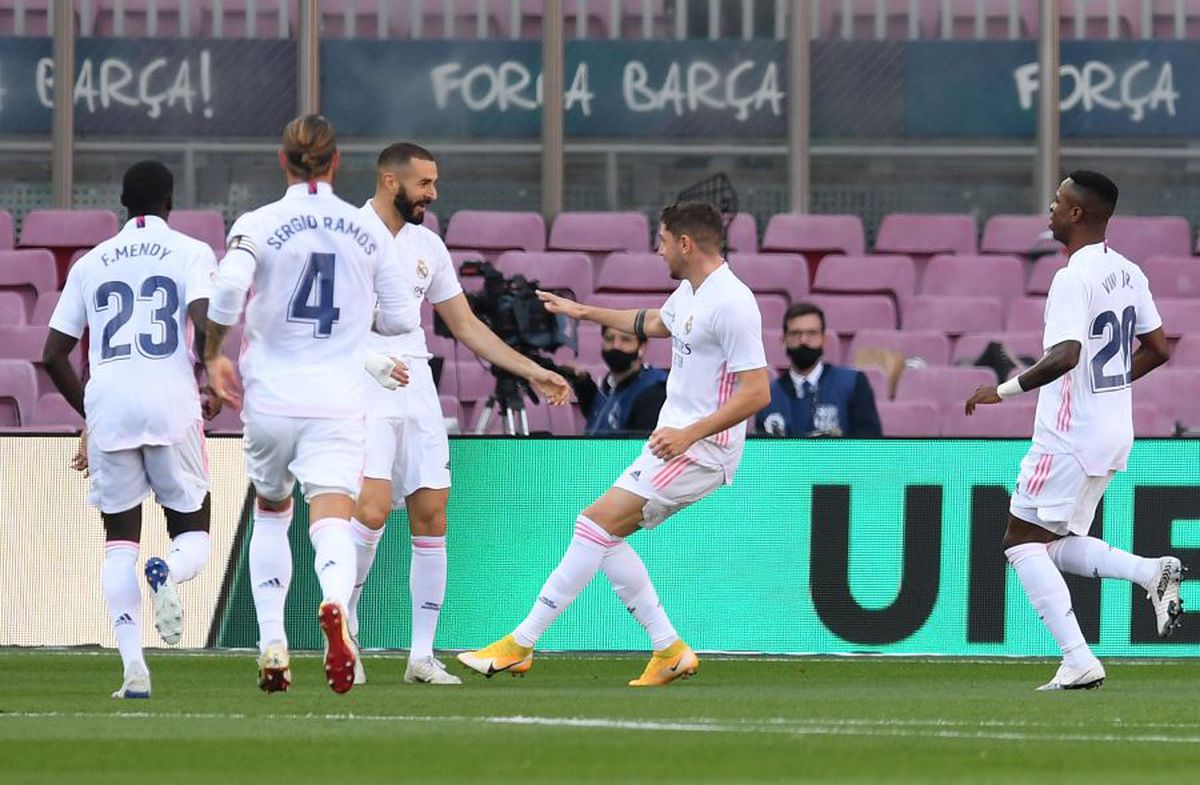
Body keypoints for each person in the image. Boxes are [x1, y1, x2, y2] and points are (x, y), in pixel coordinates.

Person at [457, 201, 770, 686]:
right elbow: (653, 322)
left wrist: (690, 433)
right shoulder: (692, 291)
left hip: (701, 448)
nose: (658, 250)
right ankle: (668, 649)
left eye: (662, 241)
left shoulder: (733, 302)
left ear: (685, 243)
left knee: (593, 524)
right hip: (676, 440)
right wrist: (582, 312)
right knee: (602, 533)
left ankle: (521, 643)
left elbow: (757, 392)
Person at [203, 115, 419, 695]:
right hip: (336, 399)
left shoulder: (259, 222)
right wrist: (355, 316)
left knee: (272, 511)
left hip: (271, 397)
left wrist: (212, 354)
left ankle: (272, 643)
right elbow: (402, 317)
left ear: (283, 160)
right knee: (331, 518)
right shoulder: (366, 230)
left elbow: (227, 291)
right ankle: (335, 604)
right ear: (336, 161)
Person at [350, 142, 570, 686]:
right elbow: (326, 328)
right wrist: (368, 360)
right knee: (371, 510)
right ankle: (345, 626)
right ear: (390, 181)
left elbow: (467, 326)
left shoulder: (428, 244)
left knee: (432, 513)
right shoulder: (348, 235)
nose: (433, 193)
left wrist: (533, 370)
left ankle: (422, 656)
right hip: (363, 378)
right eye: (424, 183)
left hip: (416, 379)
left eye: (435, 182)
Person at [965, 170, 1181, 691]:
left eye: (1059, 202)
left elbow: (1065, 355)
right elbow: (1158, 349)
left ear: (1078, 213)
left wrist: (1003, 390)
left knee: (1019, 543)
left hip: (1068, 435)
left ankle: (1078, 659)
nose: (1052, 209)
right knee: (1053, 542)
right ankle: (1150, 573)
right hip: (1112, 431)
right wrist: (1106, 387)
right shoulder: (1128, 271)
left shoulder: (1071, 277)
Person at [43, 160, 219, 699]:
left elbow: (53, 354)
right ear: (170, 202)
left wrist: (90, 415)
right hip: (171, 405)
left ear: (123, 202)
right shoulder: (191, 251)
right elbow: (205, 324)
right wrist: (211, 378)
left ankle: (133, 671)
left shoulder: (90, 263)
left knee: (119, 545)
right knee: (194, 535)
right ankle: (168, 568)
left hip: (110, 410)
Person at [756, 302, 881, 437]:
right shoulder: (768, 395)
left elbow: (869, 441)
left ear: (824, 339)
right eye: (795, 333)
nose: (803, 340)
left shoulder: (852, 383)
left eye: (812, 333)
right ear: (783, 340)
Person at [568, 325, 667, 435]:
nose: (616, 345)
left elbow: (642, 443)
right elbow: (601, 418)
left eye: (625, 340)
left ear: (642, 347)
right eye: (609, 338)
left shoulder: (653, 391)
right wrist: (583, 384)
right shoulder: (609, 385)